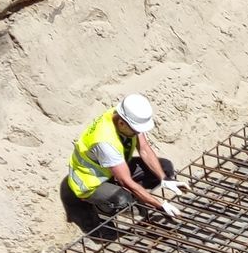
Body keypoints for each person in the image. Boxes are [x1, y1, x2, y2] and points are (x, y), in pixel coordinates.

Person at [61, 93, 178, 233]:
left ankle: (132, 193)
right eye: (135, 131)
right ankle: (100, 207)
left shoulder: (125, 118)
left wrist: (164, 179)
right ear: (122, 123)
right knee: (123, 200)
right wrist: (159, 205)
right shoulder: (104, 141)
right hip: (91, 182)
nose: (137, 133)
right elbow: (126, 181)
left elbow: (144, 148)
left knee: (165, 169)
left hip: (114, 169)